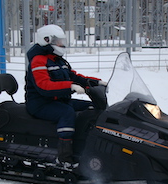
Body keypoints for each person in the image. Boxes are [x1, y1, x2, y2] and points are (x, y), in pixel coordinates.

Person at [25, 24, 107, 169]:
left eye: (62, 41)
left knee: (91, 107)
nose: (62, 44)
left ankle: (89, 146)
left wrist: (96, 82)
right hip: (40, 104)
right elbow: (44, 86)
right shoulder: (38, 60)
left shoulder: (58, 60)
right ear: (47, 40)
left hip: (59, 100)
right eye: (58, 41)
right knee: (67, 113)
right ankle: (64, 158)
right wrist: (70, 87)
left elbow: (74, 76)